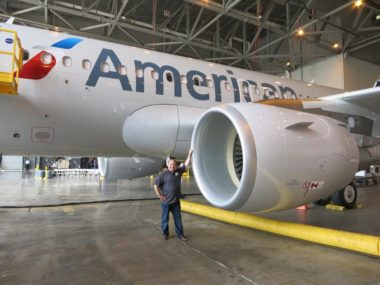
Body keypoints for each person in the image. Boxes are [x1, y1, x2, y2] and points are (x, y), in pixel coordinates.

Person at [153, 149, 193, 241]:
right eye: (170, 164)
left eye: (173, 164)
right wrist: (159, 195)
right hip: (166, 202)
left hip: (175, 202)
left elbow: (186, 163)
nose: (172, 166)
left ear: (176, 165)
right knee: (165, 219)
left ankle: (180, 234)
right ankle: (165, 234)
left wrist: (189, 154)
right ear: (168, 165)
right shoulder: (163, 174)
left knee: (178, 219)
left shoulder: (178, 171)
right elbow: (155, 185)